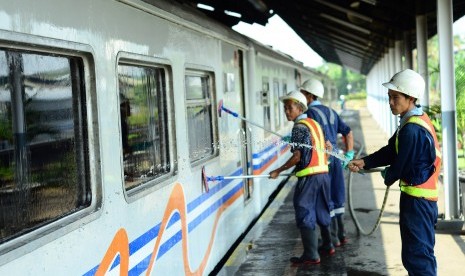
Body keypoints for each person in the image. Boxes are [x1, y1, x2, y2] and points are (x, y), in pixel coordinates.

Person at [347, 69, 440, 276]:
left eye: (395, 97)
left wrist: (387, 174)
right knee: (418, 253)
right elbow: (392, 151)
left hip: (418, 203)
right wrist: (365, 162)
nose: (390, 102)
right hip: (420, 199)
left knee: (417, 257)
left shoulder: (412, 129)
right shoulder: (413, 121)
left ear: (411, 98)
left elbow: (400, 166)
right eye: (390, 97)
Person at [269, 90, 334, 265]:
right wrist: (321, 161)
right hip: (323, 175)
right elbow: (328, 146)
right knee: (322, 210)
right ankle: (328, 245)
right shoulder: (314, 123)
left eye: (289, 108)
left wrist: (277, 170)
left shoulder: (298, 127)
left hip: (309, 178)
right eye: (285, 108)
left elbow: (297, 156)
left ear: (299, 108)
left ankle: (311, 255)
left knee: (304, 212)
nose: (286, 112)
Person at [300, 79, 354, 246]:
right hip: (337, 158)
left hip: (323, 161)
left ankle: (331, 239)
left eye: (303, 93)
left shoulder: (309, 114)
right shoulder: (331, 111)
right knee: (337, 196)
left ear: (309, 95)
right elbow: (348, 133)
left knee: (325, 199)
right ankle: (342, 234)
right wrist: (349, 155)